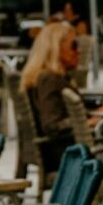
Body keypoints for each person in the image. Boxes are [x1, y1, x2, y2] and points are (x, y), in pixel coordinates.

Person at [21, 18, 82, 179]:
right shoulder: (49, 80)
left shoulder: (44, 78)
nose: (79, 51)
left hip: (62, 154)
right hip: (66, 157)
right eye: (74, 45)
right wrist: (86, 122)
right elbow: (52, 125)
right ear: (56, 48)